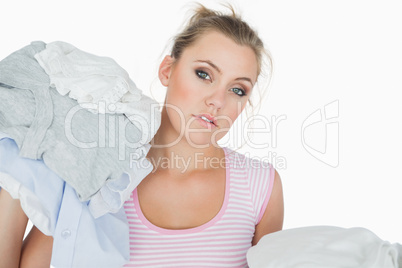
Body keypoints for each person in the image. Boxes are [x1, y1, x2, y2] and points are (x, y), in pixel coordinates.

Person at [0, 3, 284, 267]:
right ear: (167, 70)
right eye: (204, 74)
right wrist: (18, 160)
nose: (217, 100)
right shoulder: (102, 175)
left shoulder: (260, 188)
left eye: (238, 90)